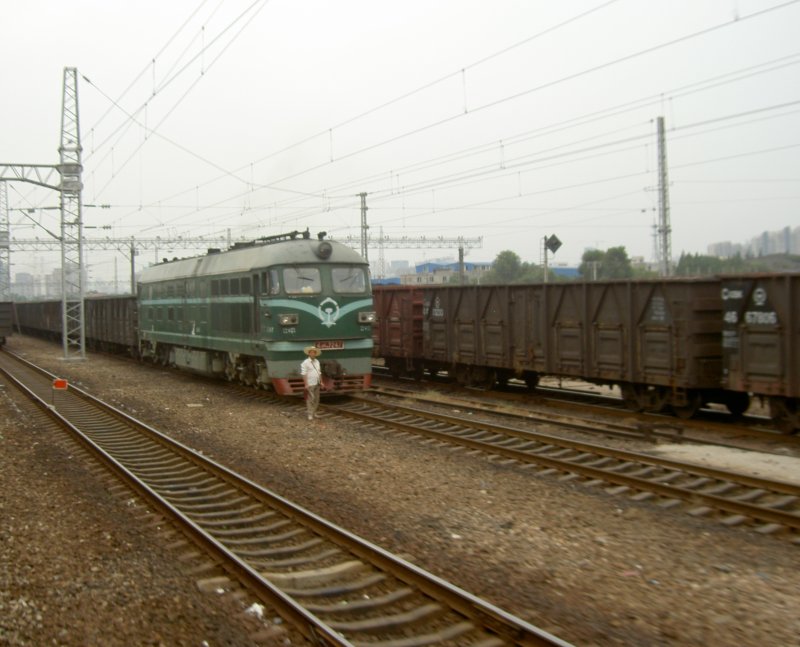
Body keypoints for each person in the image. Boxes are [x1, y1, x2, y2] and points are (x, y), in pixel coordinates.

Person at [300, 346, 323, 420]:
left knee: (316, 399)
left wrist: (321, 381)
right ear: (309, 353)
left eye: (314, 352)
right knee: (310, 399)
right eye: (311, 352)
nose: (313, 353)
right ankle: (310, 414)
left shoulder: (317, 361)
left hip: (317, 382)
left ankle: (314, 412)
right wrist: (306, 384)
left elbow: (319, 372)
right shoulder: (305, 363)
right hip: (310, 383)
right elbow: (304, 374)